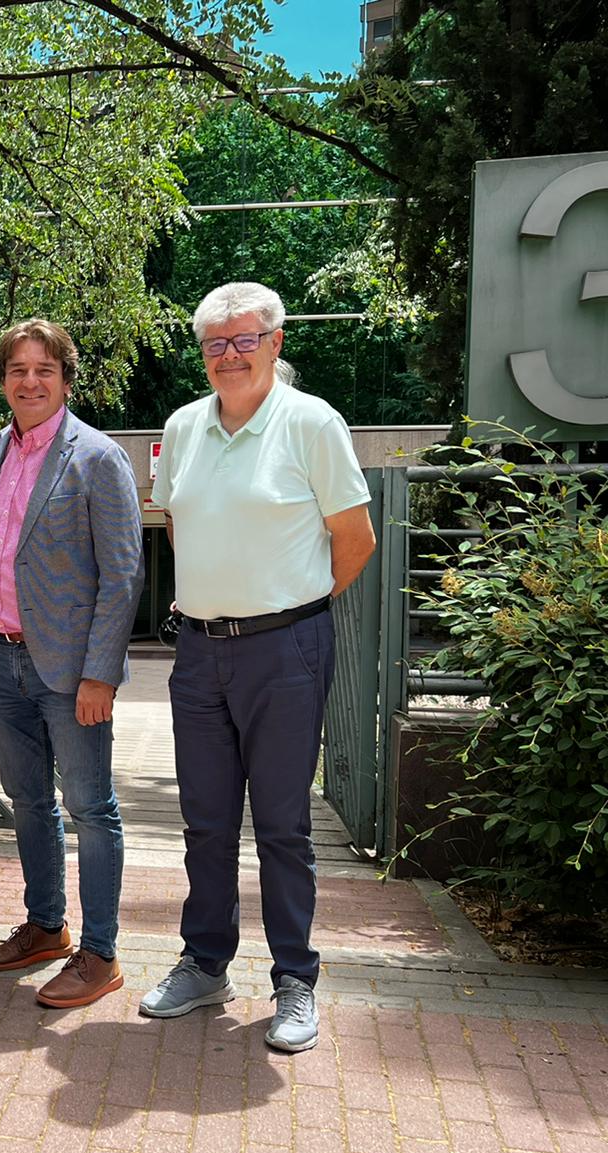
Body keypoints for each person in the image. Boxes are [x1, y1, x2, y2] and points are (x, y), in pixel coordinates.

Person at [140, 282, 376, 1053]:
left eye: (245, 340)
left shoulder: (312, 423)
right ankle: (206, 964)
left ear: (276, 342)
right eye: (215, 344)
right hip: (200, 649)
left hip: (288, 649)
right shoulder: (181, 427)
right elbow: (178, 522)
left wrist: (290, 606)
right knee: (205, 823)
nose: (230, 356)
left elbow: (356, 538)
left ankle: (295, 980)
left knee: (282, 826)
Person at [0, 319, 145, 1008]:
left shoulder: (96, 457)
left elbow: (122, 574)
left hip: (70, 673)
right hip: (1, 665)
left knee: (91, 807)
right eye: (17, 370)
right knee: (28, 802)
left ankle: (101, 954)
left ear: (65, 378)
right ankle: (45, 926)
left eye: (44, 370)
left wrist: (101, 673)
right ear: (3, 379)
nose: (29, 382)